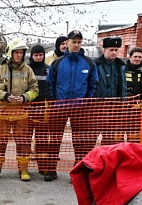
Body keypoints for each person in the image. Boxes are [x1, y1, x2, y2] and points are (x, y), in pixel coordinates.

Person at [45, 30, 97, 179]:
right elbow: (50, 84)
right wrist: (55, 101)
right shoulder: (58, 62)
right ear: (67, 43)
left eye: (79, 42)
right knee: (54, 139)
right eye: (73, 42)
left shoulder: (89, 63)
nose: (76, 45)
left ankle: (79, 173)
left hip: (80, 108)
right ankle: (50, 170)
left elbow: (94, 84)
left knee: (81, 141)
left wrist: (87, 102)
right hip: (60, 107)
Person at [0, 39, 38, 181]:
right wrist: (4, 96)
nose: (19, 55)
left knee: (23, 142)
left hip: (21, 114)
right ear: (11, 53)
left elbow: (34, 89)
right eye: (16, 52)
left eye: (21, 53)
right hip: (2, 113)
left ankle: (23, 169)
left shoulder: (28, 71)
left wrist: (25, 97)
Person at [27, 44, 58, 176]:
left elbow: (52, 86)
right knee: (25, 139)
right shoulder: (27, 70)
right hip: (28, 108)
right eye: (36, 55)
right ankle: (23, 167)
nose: (38, 57)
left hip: (43, 108)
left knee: (42, 139)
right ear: (32, 56)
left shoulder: (48, 69)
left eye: (40, 55)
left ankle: (42, 165)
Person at [94, 36, 127, 146]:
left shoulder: (121, 66)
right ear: (104, 50)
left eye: (116, 50)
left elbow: (123, 87)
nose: (114, 53)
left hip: (115, 108)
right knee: (91, 137)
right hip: (98, 107)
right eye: (111, 50)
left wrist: (123, 103)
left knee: (109, 138)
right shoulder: (95, 65)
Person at [124, 47, 142, 142]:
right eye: (135, 56)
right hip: (123, 104)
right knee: (119, 132)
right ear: (130, 57)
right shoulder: (123, 68)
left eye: (140, 57)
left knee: (135, 132)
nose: (137, 59)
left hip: (137, 105)